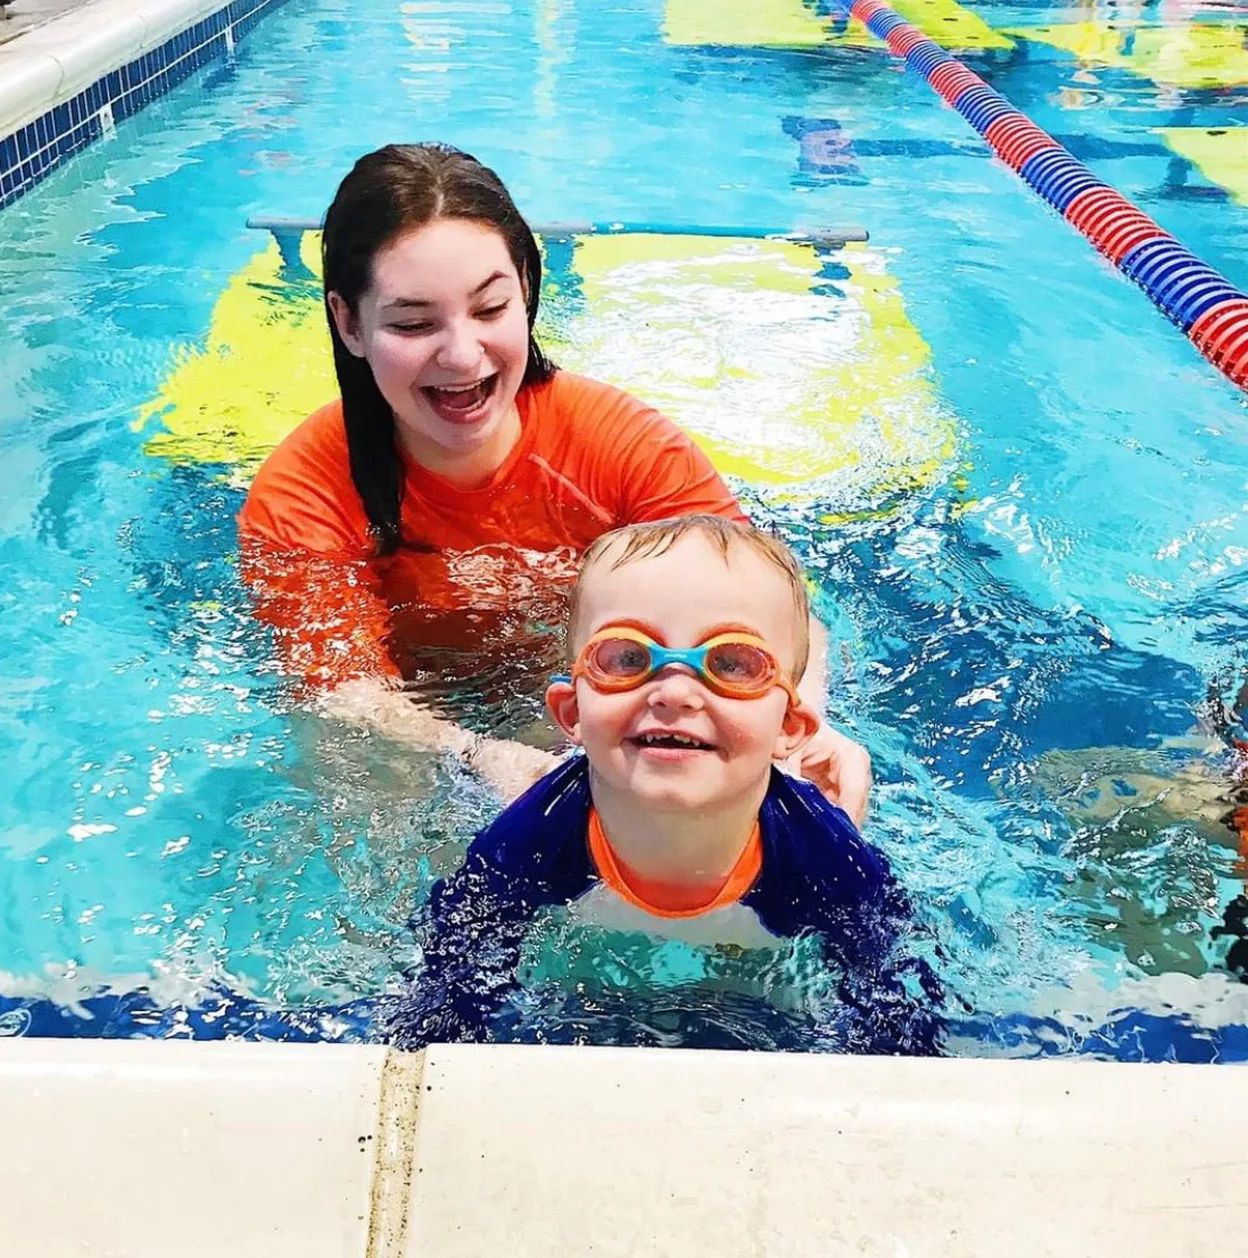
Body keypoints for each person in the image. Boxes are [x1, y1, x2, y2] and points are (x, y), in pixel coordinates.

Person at [237, 142, 872, 821]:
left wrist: (802, 727)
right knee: (365, 787)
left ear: (528, 292)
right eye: (414, 323)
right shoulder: (304, 496)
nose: (463, 356)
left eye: (490, 309)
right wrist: (475, 756)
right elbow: (342, 695)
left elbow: (777, 613)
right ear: (348, 322)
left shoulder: (620, 448)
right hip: (423, 731)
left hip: (577, 697)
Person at [395, 515, 941, 1053]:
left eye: (733, 663)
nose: (674, 693)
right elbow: (445, 983)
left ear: (789, 728)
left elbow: (897, 1001)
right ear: (572, 713)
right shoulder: (528, 841)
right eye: (628, 657)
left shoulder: (824, 857)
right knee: (507, 774)